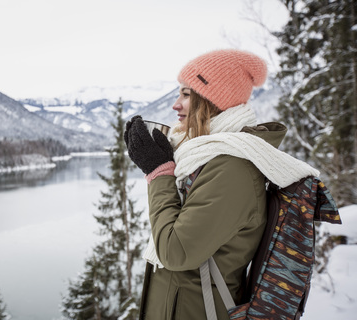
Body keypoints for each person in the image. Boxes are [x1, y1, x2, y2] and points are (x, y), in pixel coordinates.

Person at [124, 49, 319, 320]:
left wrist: (159, 172)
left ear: (212, 100)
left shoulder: (232, 169)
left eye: (186, 94)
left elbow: (175, 251)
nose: (175, 105)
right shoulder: (203, 156)